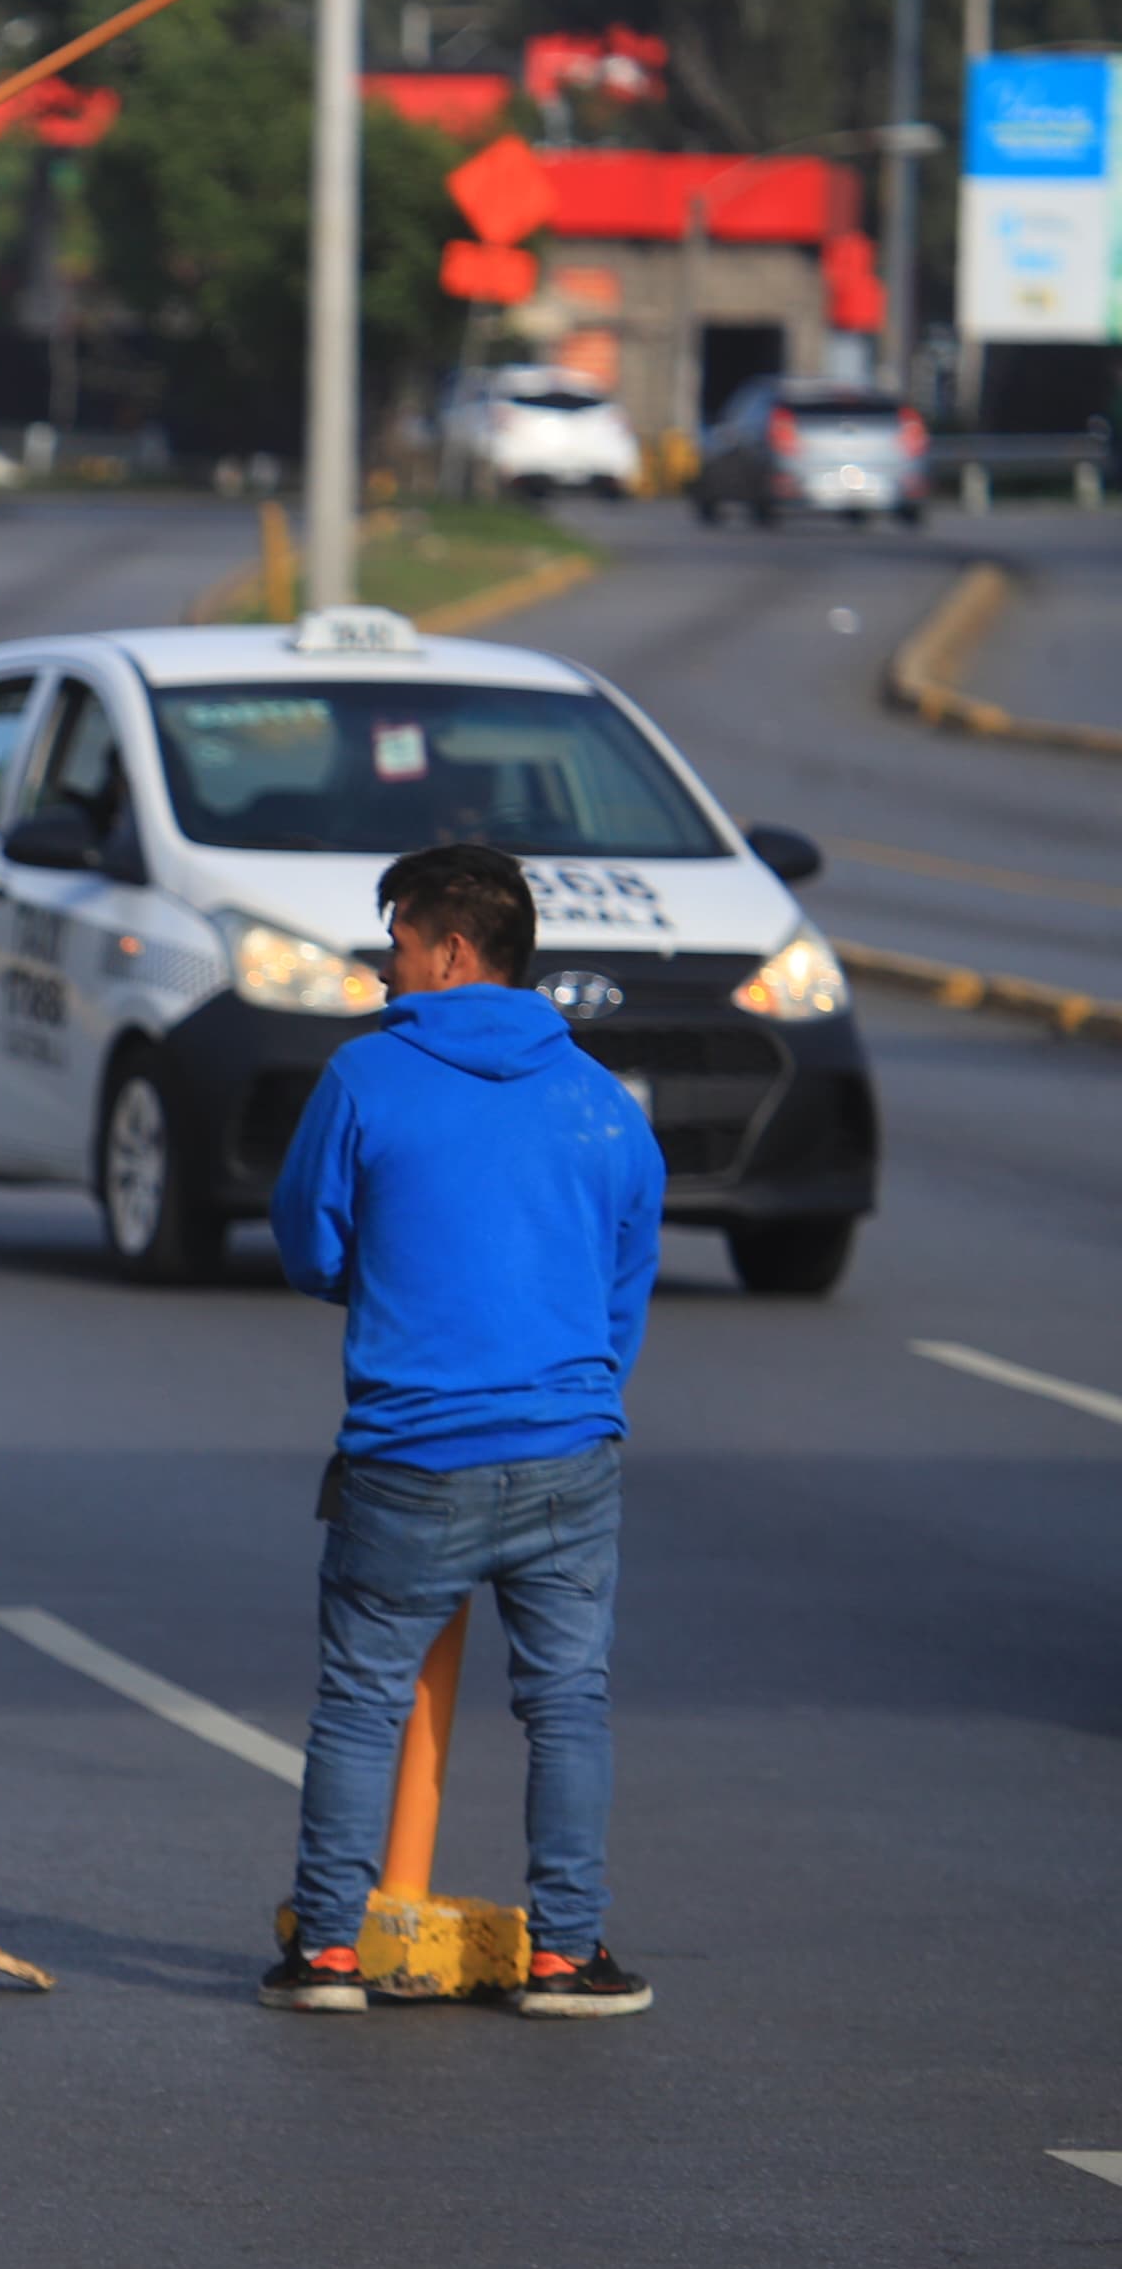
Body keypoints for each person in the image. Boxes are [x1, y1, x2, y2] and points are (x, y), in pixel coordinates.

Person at [260, 843, 664, 2021]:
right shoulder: (601, 1103)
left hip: (410, 1458)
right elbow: (621, 1285)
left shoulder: (362, 1078)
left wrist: (392, 1277)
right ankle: (564, 1955)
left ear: (448, 950)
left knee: (358, 1701)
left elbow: (307, 1244)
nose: (381, 966)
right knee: (566, 1705)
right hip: (565, 1454)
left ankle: (327, 1953)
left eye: (393, 943)